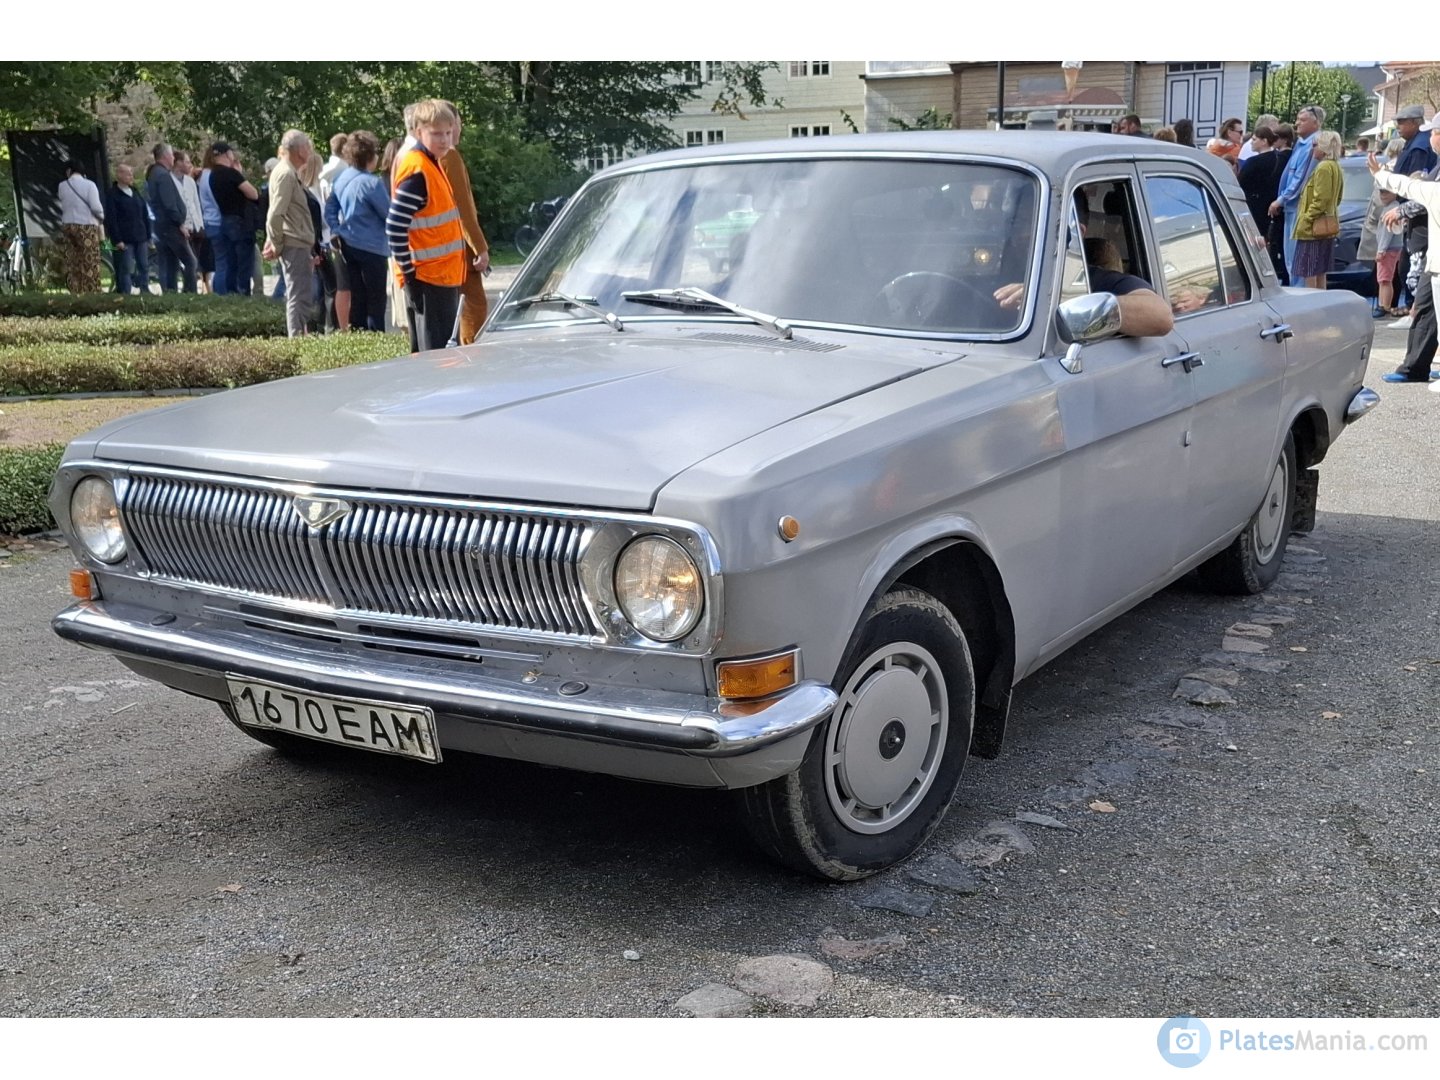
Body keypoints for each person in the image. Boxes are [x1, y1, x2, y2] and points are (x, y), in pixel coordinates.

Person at [386, 99, 467, 353]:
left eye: (447, 132)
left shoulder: (431, 163)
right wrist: (409, 275)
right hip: (428, 280)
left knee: (439, 357)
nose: (444, 139)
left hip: (438, 278)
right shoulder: (418, 169)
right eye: (436, 134)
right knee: (436, 360)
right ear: (418, 131)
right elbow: (395, 227)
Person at [1369, 119, 1440, 382]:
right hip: (1429, 246)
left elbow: (1421, 193)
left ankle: (1414, 367)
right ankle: (1416, 365)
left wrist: (1382, 177)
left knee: (1425, 305)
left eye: (1433, 133)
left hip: (1431, 251)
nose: (1431, 138)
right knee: (1427, 308)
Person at [325, 130, 391, 331]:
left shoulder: (341, 179)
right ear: (370, 156)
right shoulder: (372, 184)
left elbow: (330, 210)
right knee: (376, 301)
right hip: (372, 248)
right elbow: (389, 214)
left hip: (347, 244)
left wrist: (336, 229)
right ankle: (376, 339)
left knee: (357, 298)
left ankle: (358, 336)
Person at [437, 107, 491, 346]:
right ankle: (474, 356)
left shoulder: (433, 156)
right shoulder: (450, 156)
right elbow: (464, 207)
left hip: (443, 246)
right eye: (457, 123)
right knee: (474, 306)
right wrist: (480, 246)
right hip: (460, 248)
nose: (460, 128)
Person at [262, 130, 317, 336]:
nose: (310, 151)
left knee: (300, 294)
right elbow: (276, 213)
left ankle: (299, 335)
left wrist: (273, 239)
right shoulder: (285, 173)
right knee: (298, 295)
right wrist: (275, 243)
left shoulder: (286, 171)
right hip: (294, 243)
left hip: (297, 242)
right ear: (300, 150)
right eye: (308, 147)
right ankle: (297, 341)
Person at [1270, 105, 1325, 284]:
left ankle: (1301, 295)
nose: (1297, 123)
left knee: (1296, 260)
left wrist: (1281, 199)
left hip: (1298, 208)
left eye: (1302, 120)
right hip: (1293, 208)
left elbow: (1300, 177)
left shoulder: (1312, 145)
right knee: (1293, 259)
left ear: (1315, 123)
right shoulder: (1302, 144)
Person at [1292, 129, 1344, 289]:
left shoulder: (1323, 167)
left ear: (1324, 147)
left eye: (1315, 145)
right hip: (1327, 225)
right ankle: (1321, 301)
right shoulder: (1336, 166)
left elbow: (1321, 199)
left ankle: (1312, 302)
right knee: (1320, 269)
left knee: (1309, 270)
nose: (1312, 148)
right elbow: (1338, 197)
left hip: (1313, 228)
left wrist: (1307, 218)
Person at [207, 142, 260, 295]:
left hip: (225, 220)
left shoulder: (213, 175)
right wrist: (239, 174)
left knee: (231, 261)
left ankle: (231, 293)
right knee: (244, 261)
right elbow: (253, 194)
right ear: (226, 154)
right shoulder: (231, 174)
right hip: (240, 221)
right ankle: (243, 292)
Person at [147, 143, 196, 293]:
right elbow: (169, 203)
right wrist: (180, 223)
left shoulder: (154, 174)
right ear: (165, 156)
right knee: (190, 261)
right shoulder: (162, 176)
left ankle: (171, 292)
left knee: (170, 263)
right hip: (170, 227)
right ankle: (189, 292)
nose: (173, 158)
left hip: (161, 227)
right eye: (172, 155)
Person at [317, 132, 351, 329]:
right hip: (342, 232)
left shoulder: (325, 171)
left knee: (336, 286)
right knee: (345, 285)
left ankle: (337, 326)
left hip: (327, 233)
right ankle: (345, 326)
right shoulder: (344, 171)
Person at [56, 160, 105, 293]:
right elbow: (95, 207)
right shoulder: (90, 185)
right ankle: (91, 292)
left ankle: (76, 291)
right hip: (86, 226)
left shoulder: (62, 186)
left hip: (68, 225)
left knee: (73, 261)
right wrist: (101, 218)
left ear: (68, 171)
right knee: (90, 261)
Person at [104, 163, 150, 296]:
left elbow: (144, 213)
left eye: (131, 173)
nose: (131, 176)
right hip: (124, 239)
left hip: (140, 236)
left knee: (143, 266)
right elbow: (111, 218)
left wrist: (148, 234)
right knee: (125, 268)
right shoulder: (113, 194)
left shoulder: (135, 192)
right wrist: (117, 239)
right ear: (119, 175)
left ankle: (145, 290)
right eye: (128, 173)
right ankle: (126, 292)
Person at [172, 151, 210, 294]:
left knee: (196, 260)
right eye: (187, 162)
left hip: (196, 227)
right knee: (189, 261)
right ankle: (189, 289)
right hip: (182, 227)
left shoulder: (190, 181)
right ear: (178, 163)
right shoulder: (170, 180)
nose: (190, 165)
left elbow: (196, 203)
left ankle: (194, 287)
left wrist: (200, 224)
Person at [1239, 126, 1281, 231]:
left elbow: (1240, 182)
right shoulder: (1278, 158)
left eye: (1254, 139)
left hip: (1253, 205)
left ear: (1264, 141)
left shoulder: (1253, 162)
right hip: (1271, 204)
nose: (1251, 142)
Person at [198, 145, 227, 293]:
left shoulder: (203, 175)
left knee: (219, 261)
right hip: (216, 221)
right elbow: (216, 198)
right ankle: (221, 293)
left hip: (210, 221)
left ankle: (219, 291)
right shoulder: (210, 176)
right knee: (222, 262)